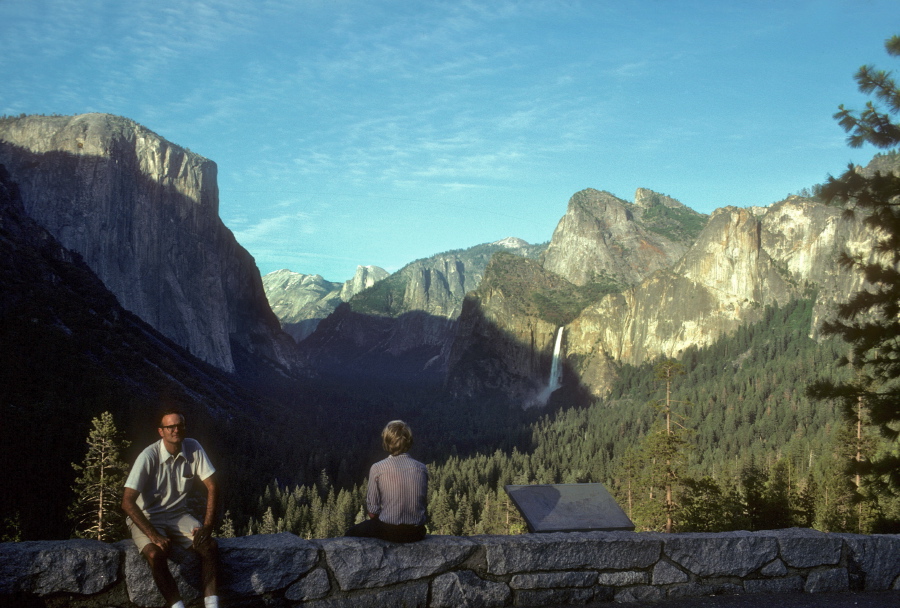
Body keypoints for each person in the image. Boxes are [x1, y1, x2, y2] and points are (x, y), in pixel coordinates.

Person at [122, 408, 221, 608]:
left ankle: (212, 605)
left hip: (179, 514)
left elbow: (212, 485)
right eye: (170, 427)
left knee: (208, 546)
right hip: (148, 516)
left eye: (179, 425)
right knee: (154, 554)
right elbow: (127, 502)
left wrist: (207, 525)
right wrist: (153, 535)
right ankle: (177, 605)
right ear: (161, 431)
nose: (175, 430)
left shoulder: (193, 447)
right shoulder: (148, 456)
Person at [345, 420, 428, 542]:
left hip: (389, 532)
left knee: (350, 533)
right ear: (409, 441)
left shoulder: (378, 468)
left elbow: (372, 512)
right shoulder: (421, 468)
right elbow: (422, 504)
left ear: (387, 442)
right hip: (416, 532)